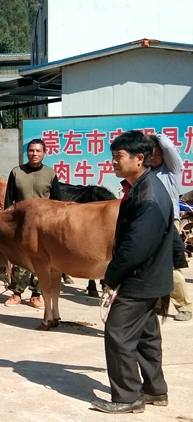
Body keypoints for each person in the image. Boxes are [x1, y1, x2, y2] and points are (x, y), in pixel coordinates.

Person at [91, 130, 178, 414]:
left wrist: (111, 276)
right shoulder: (144, 187)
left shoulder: (149, 195)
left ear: (140, 159)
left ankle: (128, 396)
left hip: (140, 279)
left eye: (118, 157)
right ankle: (155, 390)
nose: (113, 162)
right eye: (113, 157)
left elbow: (135, 248)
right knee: (146, 335)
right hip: (152, 277)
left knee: (117, 333)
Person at [3, 139, 61, 308]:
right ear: (26, 153)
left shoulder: (50, 174)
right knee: (21, 258)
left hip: (44, 225)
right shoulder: (16, 172)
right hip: (22, 223)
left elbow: (57, 201)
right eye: (31, 150)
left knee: (42, 259)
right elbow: (9, 200)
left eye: (38, 151)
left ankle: (36, 295)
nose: (34, 154)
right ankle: (16, 293)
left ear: (44, 153)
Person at [148, 133, 191, 321]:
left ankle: (185, 307)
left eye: (157, 152)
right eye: (149, 153)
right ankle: (158, 304)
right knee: (150, 265)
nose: (153, 157)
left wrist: (155, 137)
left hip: (168, 222)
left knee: (171, 267)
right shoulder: (146, 174)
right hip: (148, 222)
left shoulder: (171, 170)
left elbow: (170, 148)